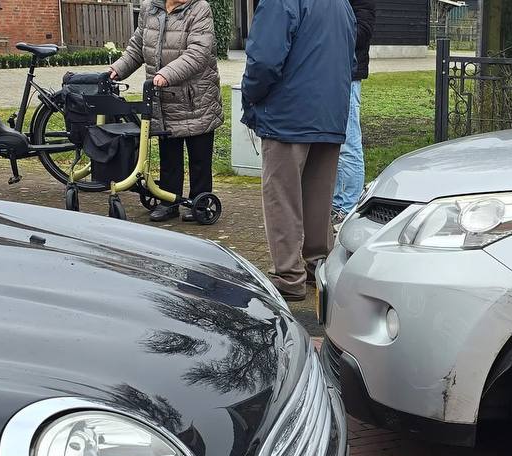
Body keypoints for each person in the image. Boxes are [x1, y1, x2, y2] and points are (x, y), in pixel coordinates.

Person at [242, 0, 356, 301]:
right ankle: (319, 266)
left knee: (282, 196)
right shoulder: (341, 4)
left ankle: (288, 276)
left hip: (288, 113)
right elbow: (351, 55)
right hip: (330, 112)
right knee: (319, 197)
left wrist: (251, 95)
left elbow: (264, 59)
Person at [110, 0, 223, 223]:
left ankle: (200, 201)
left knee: (199, 156)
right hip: (162, 96)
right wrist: (117, 69)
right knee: (169, 153)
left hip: (195, 97)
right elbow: (137, 47)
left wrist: (166, 74)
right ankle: (169, 201)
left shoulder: (200, 8)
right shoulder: (149, 8)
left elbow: (198, 53)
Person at [332, 0, 377, 227]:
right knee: (334, 142)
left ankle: (347, 207)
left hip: (349, 74)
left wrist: (328, 33)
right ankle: (336, 203)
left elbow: (363, 32)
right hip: (331, 71)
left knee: (349, 143)